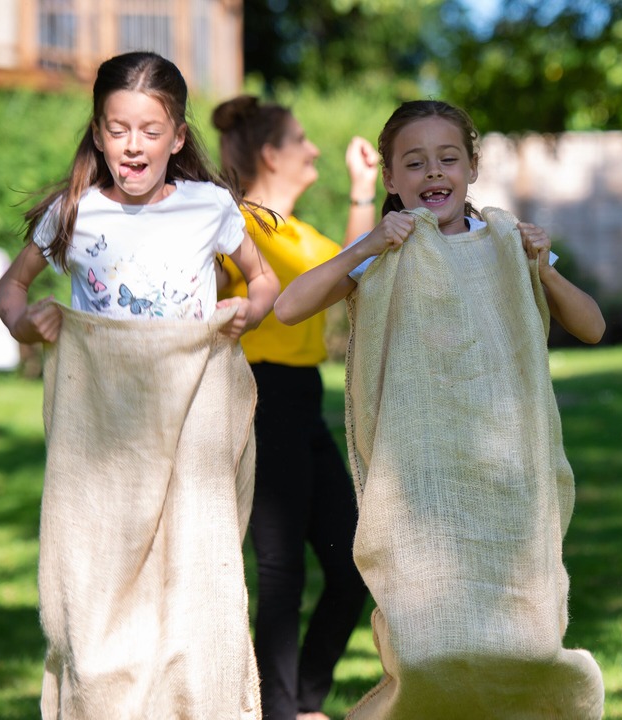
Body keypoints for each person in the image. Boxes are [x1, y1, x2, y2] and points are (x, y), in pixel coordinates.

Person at [274, 100, 607, 718]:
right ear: (391, 180)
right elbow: (290, 307)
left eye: (448, 159)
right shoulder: (385, 248)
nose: (434, 173)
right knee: (427, 639)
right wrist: (364, 246)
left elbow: (591, 326)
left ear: (472, 167)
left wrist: (545, 270)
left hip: (506, 466)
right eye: (415, 162)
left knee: (522, 634)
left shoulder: (505, 242)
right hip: (421, 470)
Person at [0, 51, 279, 718]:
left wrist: (247, 312)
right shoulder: (75, 213)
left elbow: (261, 279)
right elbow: (12, 286)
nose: (133, 144)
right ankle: (105, 697)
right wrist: (26, 326)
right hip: (104, 430)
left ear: (177, 137)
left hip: (190, 419)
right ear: (98, 132)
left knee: (191, 569)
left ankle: (191, 697)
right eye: (118, 129)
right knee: (102, 579)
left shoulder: (208, 205)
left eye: (150, 130)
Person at [211, 94, 372, 720]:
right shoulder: (234, 222)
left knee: (350, 564)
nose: (314, 149)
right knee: (281, 571)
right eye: (301, 138)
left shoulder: (298, 231)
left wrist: (365, 186)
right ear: (271, 153)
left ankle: (297, 704)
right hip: (259, 394)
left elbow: (349, 269)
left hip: (304, 398)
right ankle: (280, 713)